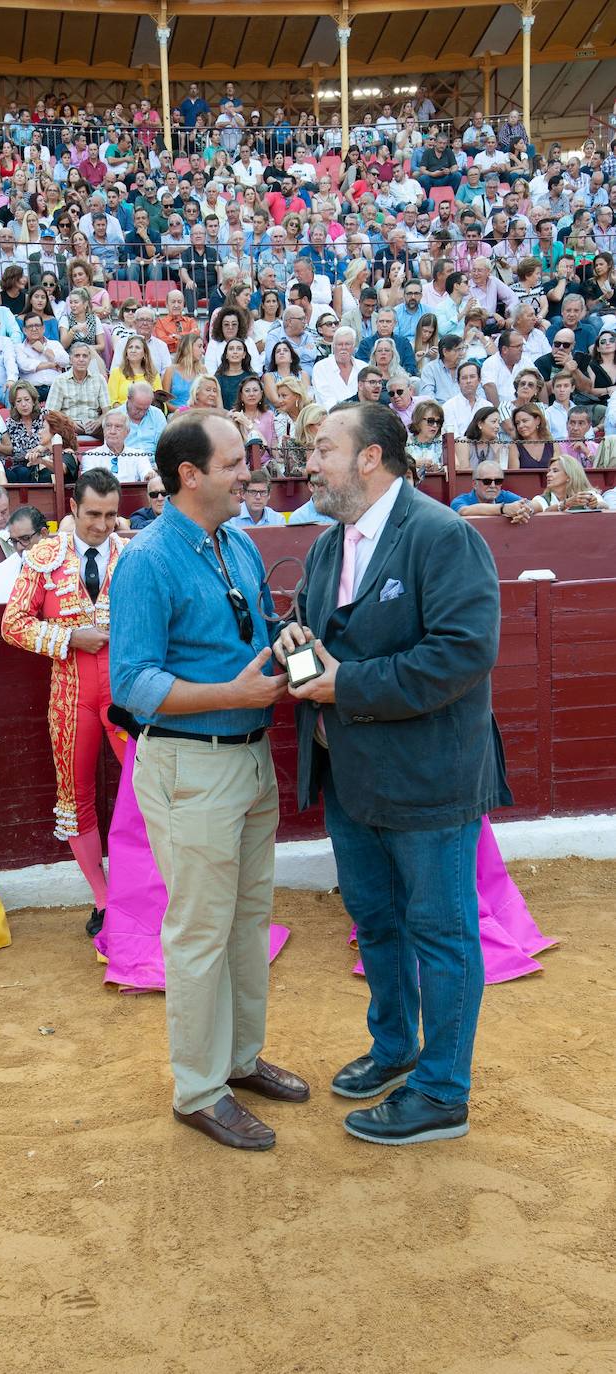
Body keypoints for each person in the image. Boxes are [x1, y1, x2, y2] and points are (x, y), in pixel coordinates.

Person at [275, 403, 511, 1146]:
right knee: (375, 922)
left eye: (321, 449)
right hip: (351, 776)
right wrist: (293, 634)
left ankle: (442, 1091)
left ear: (370, 458)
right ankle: (395, 1046)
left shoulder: (444, 537)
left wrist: (347, 684)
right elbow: (315, 623)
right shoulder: (325, 547)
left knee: (441, 933)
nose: (308, 462)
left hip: (428, 776)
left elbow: (463, 653)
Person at [110, 409, 307, 1152]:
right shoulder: (148, 559)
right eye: (233, 462)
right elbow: (130, 682)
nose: (246, 470)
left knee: (249, 919)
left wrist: (284, 640)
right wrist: (233, 694)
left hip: (248, 756)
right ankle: (198, 1089)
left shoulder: (239, 542)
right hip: (192, 762)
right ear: (189, 475)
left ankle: (239, 1059)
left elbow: (251, 629)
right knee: (199, 931)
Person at [2, 469, 127, 932]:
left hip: (125, 691)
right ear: (72, 509)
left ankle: (143, 889)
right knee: (75, 799)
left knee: (146, 792)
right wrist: (72, 636)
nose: (102, 524)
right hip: (71, 693)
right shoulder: (43, 558)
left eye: (111, 515)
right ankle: (103, 899)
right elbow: (12, 625)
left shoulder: (130, 554)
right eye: (93, 513)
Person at [0, 505, 49, 604]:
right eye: (13, 541)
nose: (19, 547)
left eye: (25, 539)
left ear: (43, 534)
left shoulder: (64, 563)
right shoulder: (2, 570)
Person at [80, 410, 154, 481]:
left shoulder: (139, 455)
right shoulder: (90, 456)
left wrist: (149, 476)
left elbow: (147, 474)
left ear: (127, 432)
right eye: (108, 426)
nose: (112, 431)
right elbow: (87, 484)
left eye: (118, 427)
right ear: (103, 430)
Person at [450, 461, 533, 521]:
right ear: (475, 484)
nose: (493, 486)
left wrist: (524, 510)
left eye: (498, 481)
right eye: (487, 481)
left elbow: (528, 503)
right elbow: (464, 511)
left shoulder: (504, 495)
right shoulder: (460, 500)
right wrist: (503, 509)